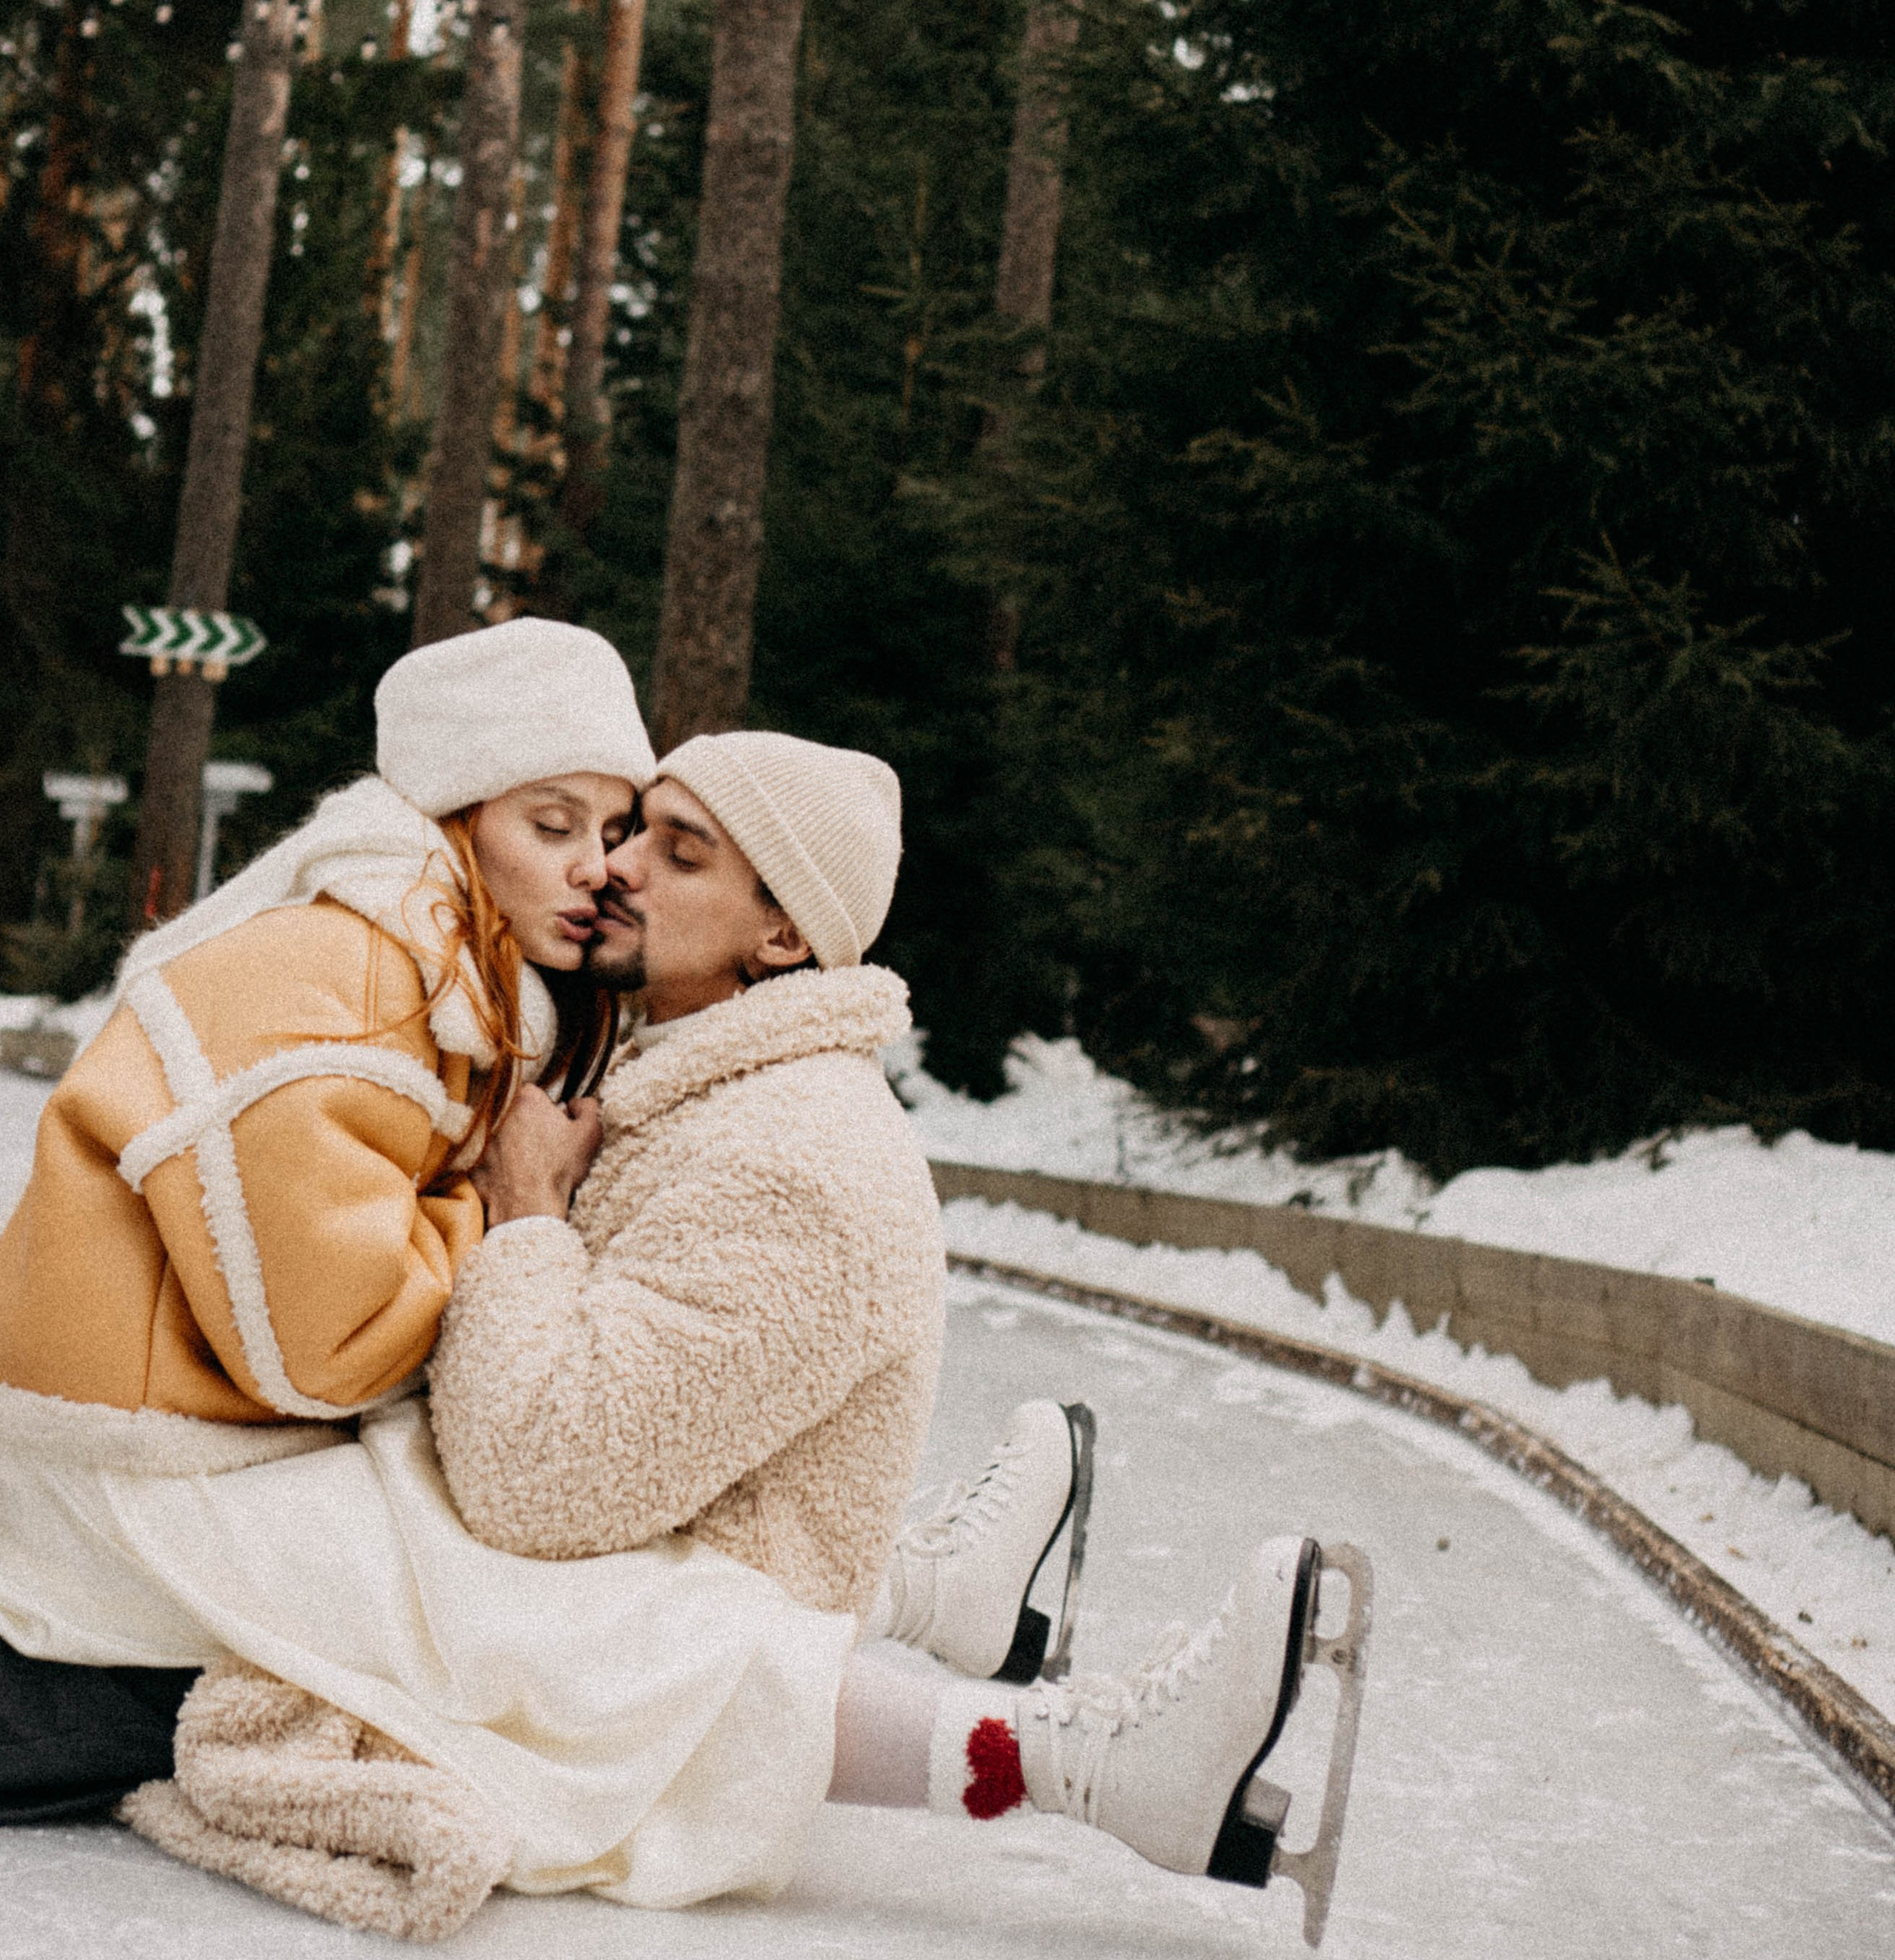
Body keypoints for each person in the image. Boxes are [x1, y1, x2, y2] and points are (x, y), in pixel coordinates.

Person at [101, 733, 1364, 1939]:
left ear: (782, 932)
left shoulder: (795, 1160)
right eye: (632, 830)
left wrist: (527, 1212)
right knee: (233, 1514)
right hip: (656, 1524)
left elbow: (538, 1479)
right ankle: (938, 1599)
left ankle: (1098, 1760)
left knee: (236, 1544)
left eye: (680, 851)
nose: (618, 865)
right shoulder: (703, 1079)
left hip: (675, 1587)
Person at [0, 616, 654, 1825]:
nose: (596, 869)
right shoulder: (347, 973)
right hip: (133, 1482)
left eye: (614, 832)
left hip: (209, 1445)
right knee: (527, 1627)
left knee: (554, 1579)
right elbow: (329, 1345)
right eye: (549, 824)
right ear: (455, 820)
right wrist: (519, 1207)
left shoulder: (445, 983)